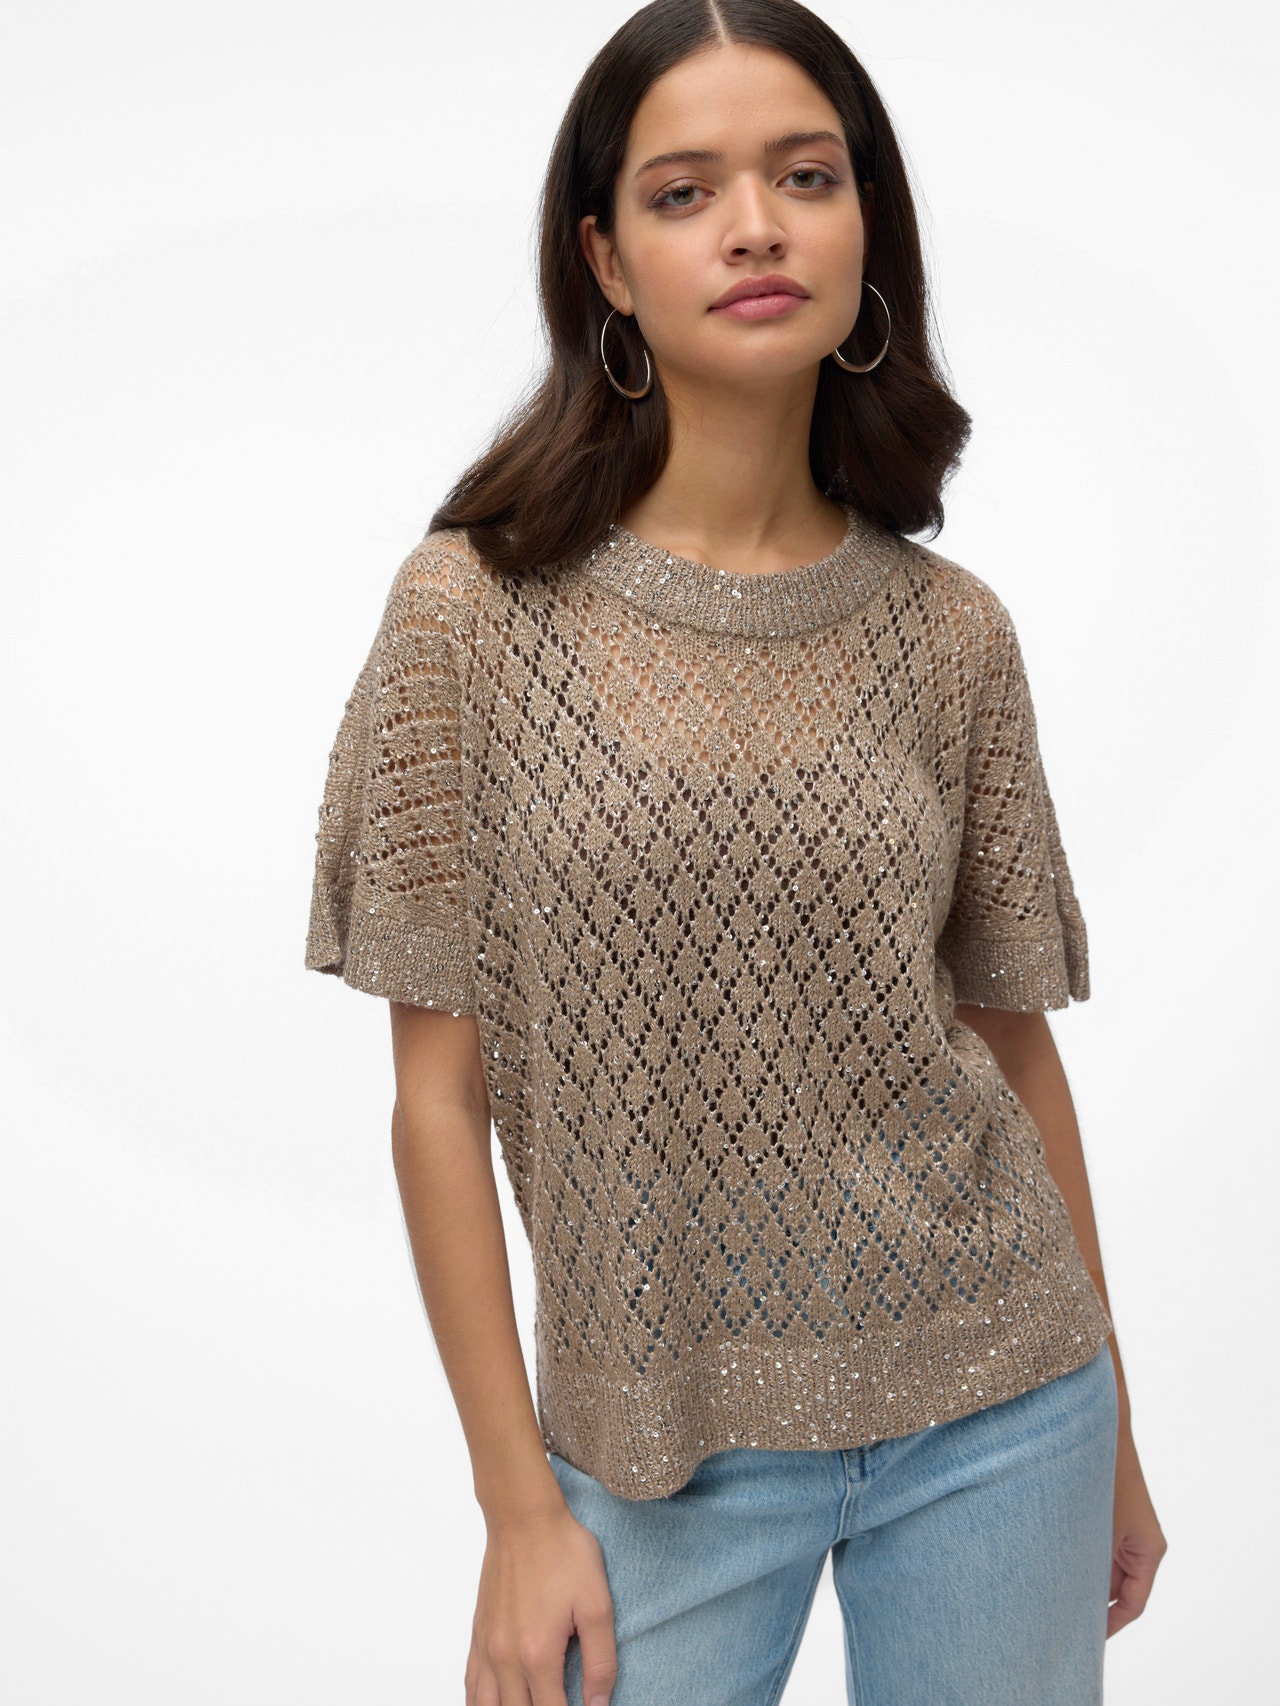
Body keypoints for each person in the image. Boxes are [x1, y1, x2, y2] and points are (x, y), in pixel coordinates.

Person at [303, 2, 1167, 1701]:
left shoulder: (951, 636)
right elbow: (435, 1102)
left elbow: (1012, 1050)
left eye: (805, 176)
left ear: (865, 226)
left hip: (1004, 1400)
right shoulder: (471, 613)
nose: (756, 225)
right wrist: (517, 1510)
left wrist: (1118, 1431)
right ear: (605, 262)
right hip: (652, 1449)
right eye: (685, 191)